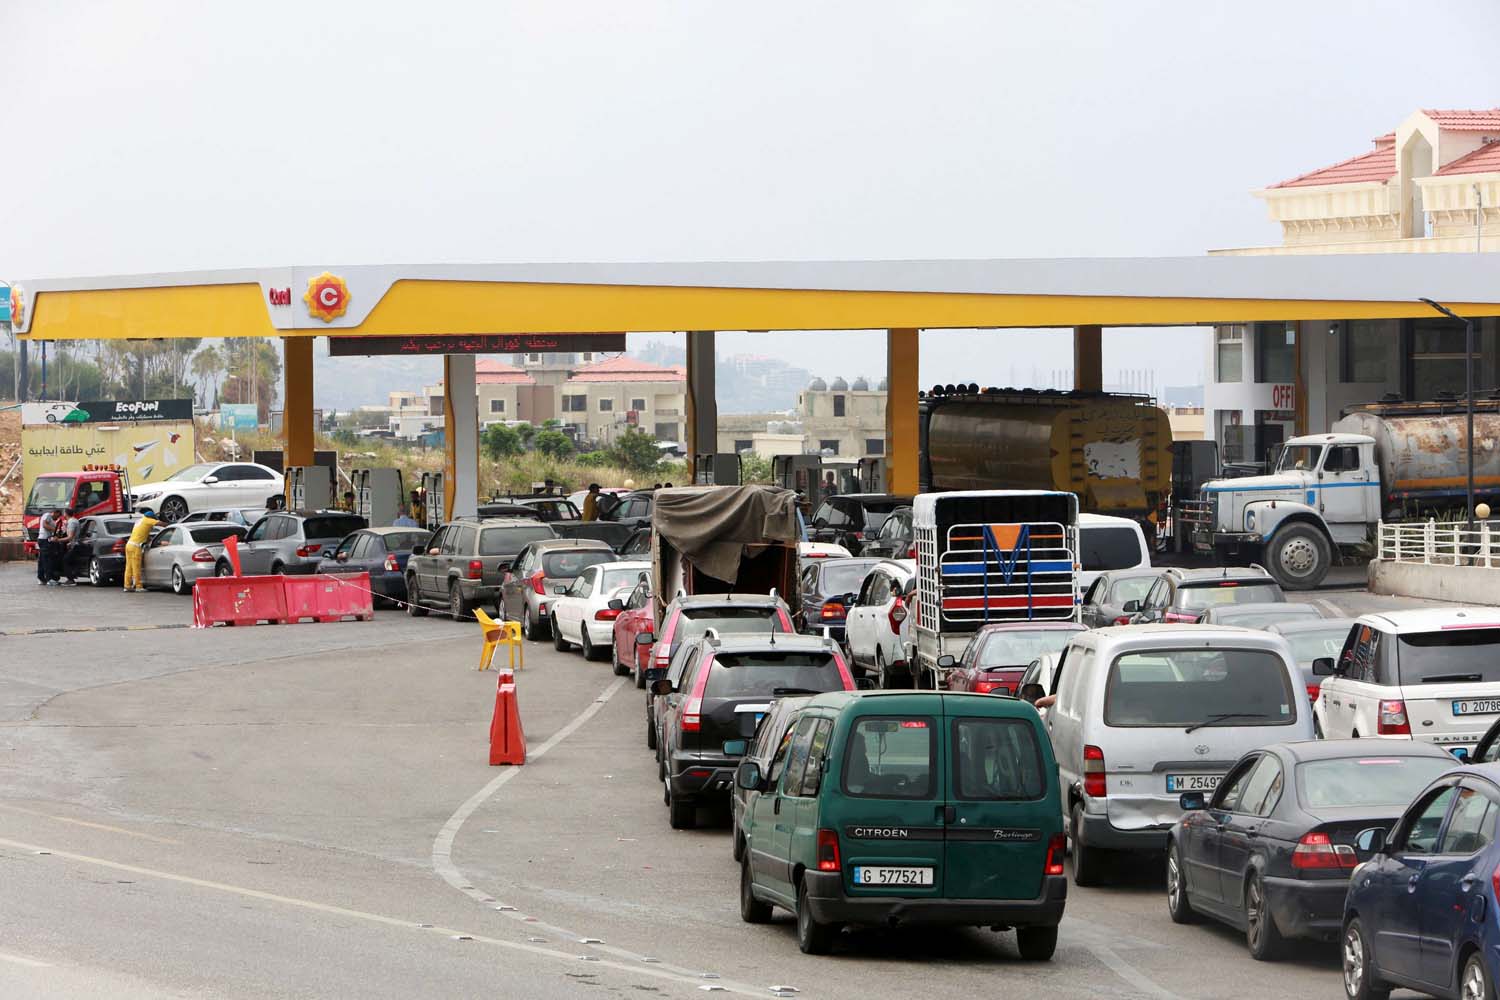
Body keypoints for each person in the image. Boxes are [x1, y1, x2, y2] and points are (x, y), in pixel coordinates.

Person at [123, 507, 159, 593]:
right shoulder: (148, 520)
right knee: (136, 566)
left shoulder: (139, 521)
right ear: (151, 517)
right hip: (136, 546)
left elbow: (143, 534)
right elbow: (161, 524)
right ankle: (138, 586)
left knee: (129, 567)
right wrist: (170, 524)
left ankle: (127, 586)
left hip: (129, 545)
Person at [59, 506, 82, 586]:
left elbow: (70, 536)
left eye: (64, 512)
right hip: (73, 544)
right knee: (71, 560)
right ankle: (73, 574)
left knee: (66, 560)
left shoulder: (72, 522)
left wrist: (58, 540)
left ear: (66, 513)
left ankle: (70, 579)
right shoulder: (73, 521)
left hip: (74, 544)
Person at [36, 509, 61, 586]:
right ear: (55, 512)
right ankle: (49, 579)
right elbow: (45, 525)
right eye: (58, 515)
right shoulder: (47, 515)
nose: (58, 517)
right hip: (44, 540)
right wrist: (55, 530)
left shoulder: (52, 521)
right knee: (47, 560)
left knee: (42, 560)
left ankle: (41, 578)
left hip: (45, 540)